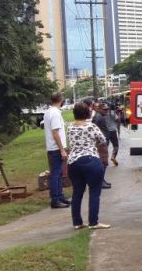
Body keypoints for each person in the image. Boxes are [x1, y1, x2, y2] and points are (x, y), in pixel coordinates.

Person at [67, 102, 110, 230]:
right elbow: (102, 140)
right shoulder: (91, 127)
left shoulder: (70, 127)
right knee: (94, 192)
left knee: (77, 192)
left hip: (73, 162)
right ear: (87, 113)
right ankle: (93, 222)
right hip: (91, 160)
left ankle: (77, 222)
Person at [43, 93, 70, 209]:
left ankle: (60, 196)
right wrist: (62, 150)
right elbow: (55, 133)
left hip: (54, 147)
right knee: (55, 174)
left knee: (58, 173)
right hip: (56, 148)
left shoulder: (50, 112)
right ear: (60, 100)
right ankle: (55, 199)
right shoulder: (54, 113)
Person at [90, 101, 113, 189]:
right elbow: (98, 131)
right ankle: (100, 181)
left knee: (103, 163)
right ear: (99, 109)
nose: (106, 111)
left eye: (107, 109)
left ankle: (101, 180)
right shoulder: (99, 118)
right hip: (101, 143)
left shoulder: (99, 116)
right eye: (104, 109)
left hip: (101, 142)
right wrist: (104, 140)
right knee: (103, 163)